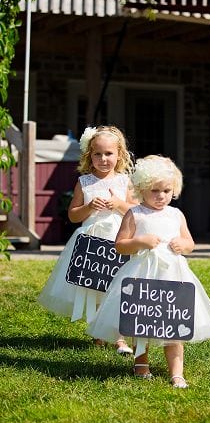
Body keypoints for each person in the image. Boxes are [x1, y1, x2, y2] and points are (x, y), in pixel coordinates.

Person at [92, 155, 210, 383]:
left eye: (166, 191)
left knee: (173, 322)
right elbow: (120, 245)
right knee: (143, 321)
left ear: (175, 189)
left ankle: (177, 373)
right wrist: (140, 242)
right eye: (154, 191)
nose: (161, 196)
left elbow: (190, 243)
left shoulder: (176, 214)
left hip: (172, 276)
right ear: (141, 189)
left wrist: (184, 246)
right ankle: (141, 365)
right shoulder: (135, 214)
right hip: (144, 274)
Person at [38, 126, 137, 345]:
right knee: (95, 286)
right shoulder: (84, 183)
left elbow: (136, 211)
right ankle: (99, 330)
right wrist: (90, 206)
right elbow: (73, 216)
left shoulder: (124, 181)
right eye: (97, 154)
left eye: (108, 153)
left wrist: (119, 204)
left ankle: (118, 336)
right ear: (89, 156)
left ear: (119, 154)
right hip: (91, 241)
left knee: (117, 286)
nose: (103, 159)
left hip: (118, 240)